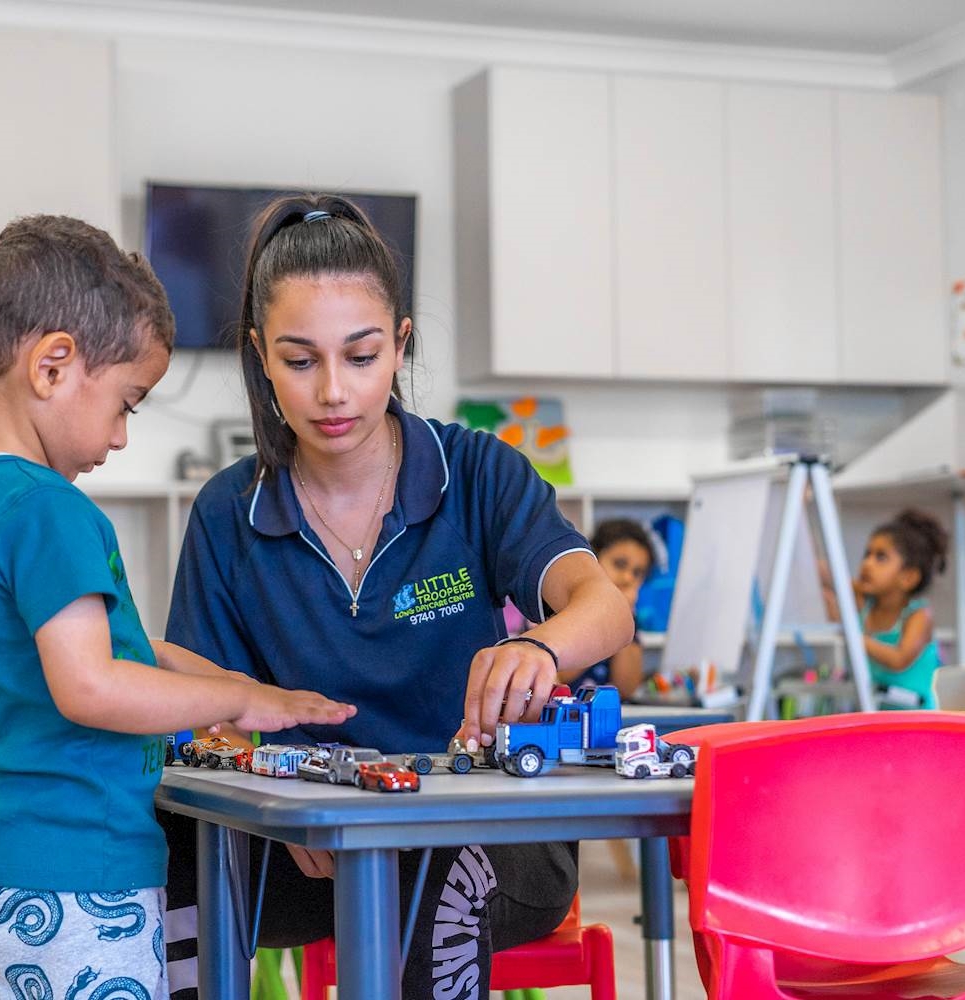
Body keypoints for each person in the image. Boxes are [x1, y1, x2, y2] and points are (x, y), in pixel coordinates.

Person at [161, 195, 632, 999]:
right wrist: (282, 793)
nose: (334, 392)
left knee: (429, 862)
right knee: (162, 840)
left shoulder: (479, 472)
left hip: (481, 834)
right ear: (261, 358)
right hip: (303, 838)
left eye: (362, 355)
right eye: (301, 361)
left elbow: (604, 603)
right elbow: (202, 708)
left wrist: (539, 645)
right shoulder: (227, 514)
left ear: (400, 345)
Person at [0, 215, 354, 1000]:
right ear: (52, 366)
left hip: (13, 864)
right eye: (127, 402)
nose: (120, 436)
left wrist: (243, 689)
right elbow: (91, 684)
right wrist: (237, 695)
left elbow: (132, 648)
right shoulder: (46, 508)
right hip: (78, 873)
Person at [826, 508, 949, 709]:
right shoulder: (864, 606)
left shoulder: (918, 615)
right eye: (867, 554)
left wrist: (856, 638)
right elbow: (827, 574)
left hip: (917, 719)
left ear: (908, 577)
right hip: (875, 713)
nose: (867, 564)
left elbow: (899, 659)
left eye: (880, 558)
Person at [562, 518, 654, 699]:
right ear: (593, 558)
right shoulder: (563, 602)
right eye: (619, 564)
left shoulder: (629, 619)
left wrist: (622, 614)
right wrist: (604, 617)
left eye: (637, 572)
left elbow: (627, 688)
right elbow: (560, 675)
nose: (628, 578)